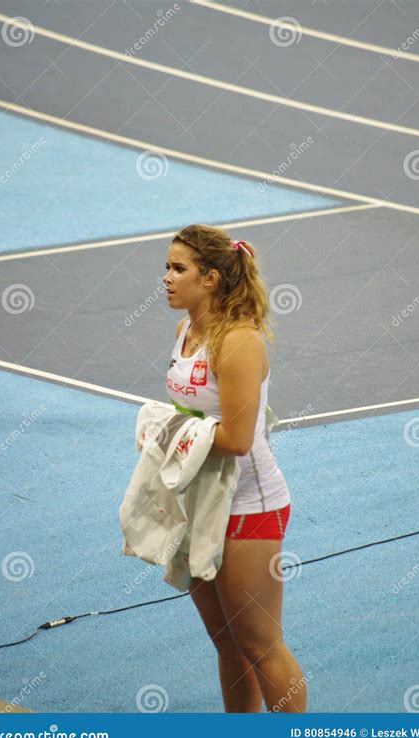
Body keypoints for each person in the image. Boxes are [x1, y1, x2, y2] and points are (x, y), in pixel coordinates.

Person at [162, 224, 306, 713]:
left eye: (179, 269)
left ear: (212, 279)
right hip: (202, 505)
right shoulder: (186, 329)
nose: (167, 278)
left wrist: (166, 434)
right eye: (167, 266)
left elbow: (238, 440)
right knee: (227, 641)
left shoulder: (239, 342)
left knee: (260, 644)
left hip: (249, 506)